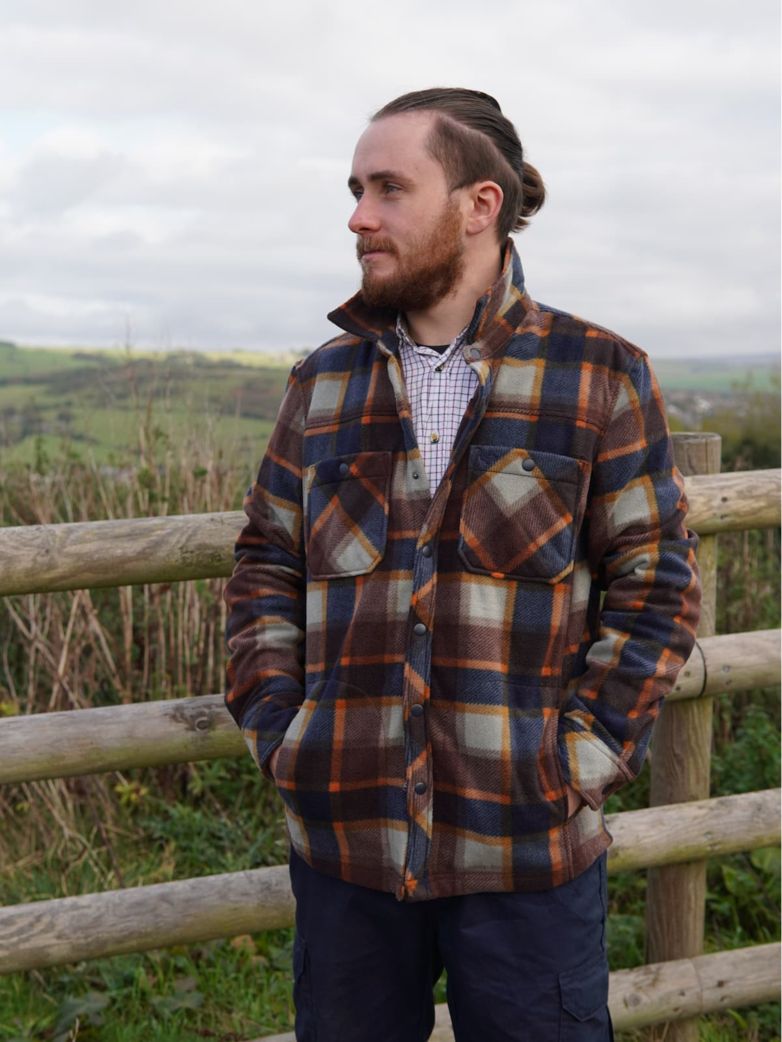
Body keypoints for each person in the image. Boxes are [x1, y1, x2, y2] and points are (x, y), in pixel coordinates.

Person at [224, 87, 702, 1042]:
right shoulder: (321, 384)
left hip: (527, 852)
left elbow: (656, 589)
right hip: (345, 850)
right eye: (356, 189)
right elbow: (265, 567)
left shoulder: (599, 374)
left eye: (389, 188)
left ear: (479, 204)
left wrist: (578, 761)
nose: (358, 216)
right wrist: (284, 736)